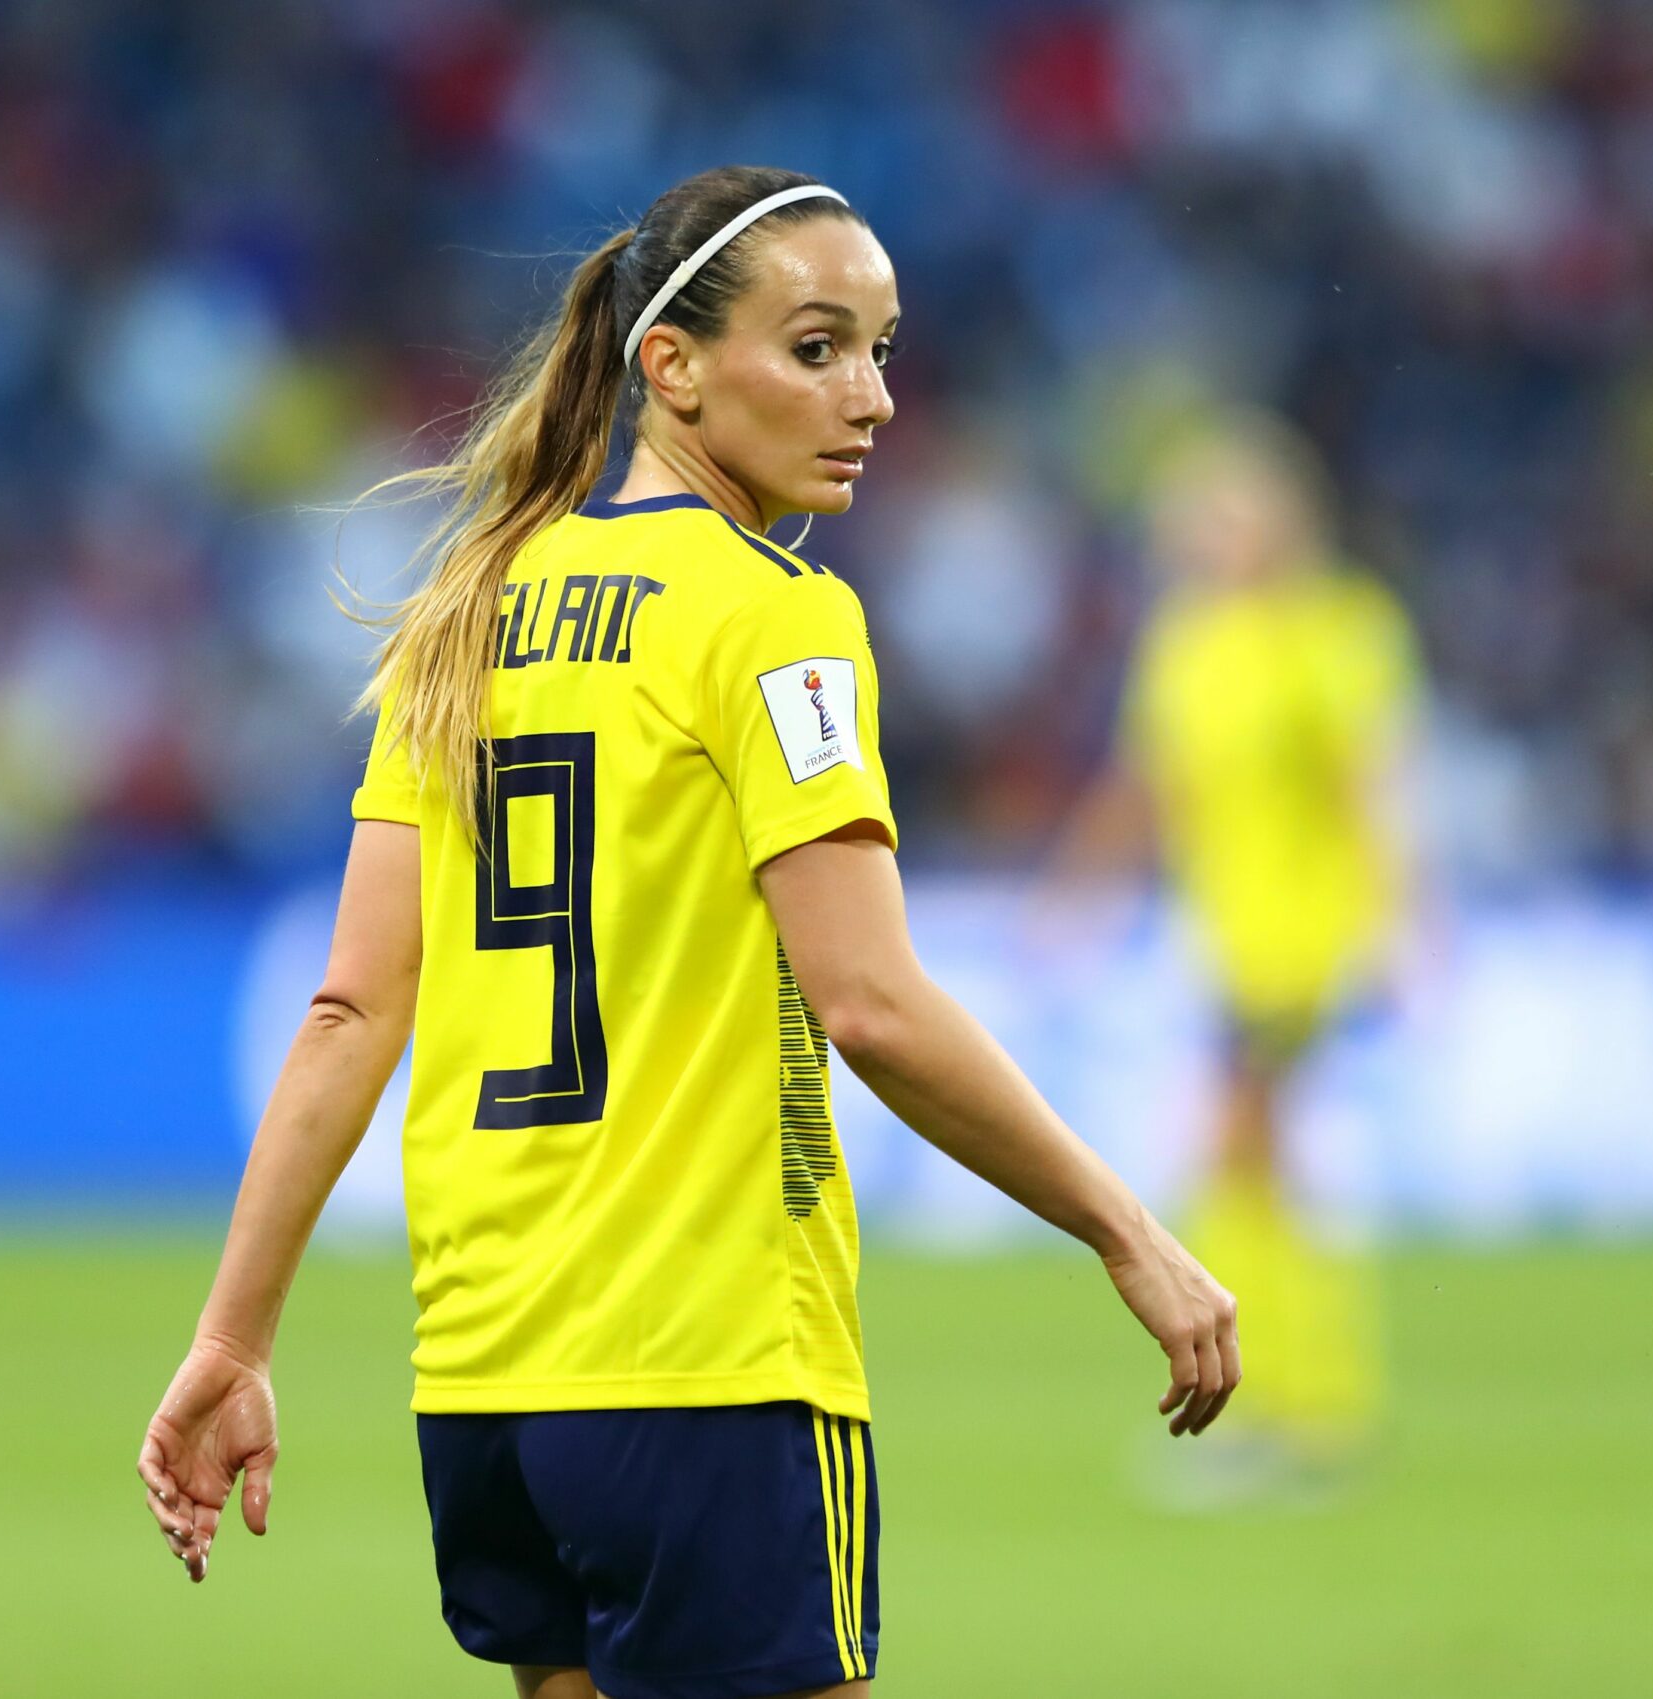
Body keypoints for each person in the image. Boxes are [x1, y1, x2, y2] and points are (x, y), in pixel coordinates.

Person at [137, 165, 1240, 1699]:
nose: (871, 397)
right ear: (672, 366)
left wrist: (235, 1336)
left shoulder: (468, 607)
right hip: (706, 1364)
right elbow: (868, 1000)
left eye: (881, 350)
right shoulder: (771, 611)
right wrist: (1128, 1229)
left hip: (487, 1386)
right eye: (815, 347)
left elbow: (349, 1009)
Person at [1050, 410, 1420, 1494]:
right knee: (1263, 1168)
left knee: (1238, 1154)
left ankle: (1281, 1408)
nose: (1204, 538)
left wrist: (1400, 921)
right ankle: (1309, 1406)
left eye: (1224, 518)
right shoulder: (1188, 643)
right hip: (1226, 941)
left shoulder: (1332, 630)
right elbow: (1147, 788)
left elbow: (1368, 787)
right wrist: (1078, 893)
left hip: (1302, 941)